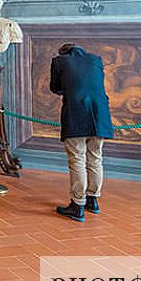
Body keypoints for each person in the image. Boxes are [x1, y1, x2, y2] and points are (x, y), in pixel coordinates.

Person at [50, 44, 113, 222]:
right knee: (95, 156)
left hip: (77, 111)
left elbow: (55, 88)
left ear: (63, 52)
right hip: (100, 114)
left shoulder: (59, 61)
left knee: (77, 157)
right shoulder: (96, 60)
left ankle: (77, 205)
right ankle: (93, 200)